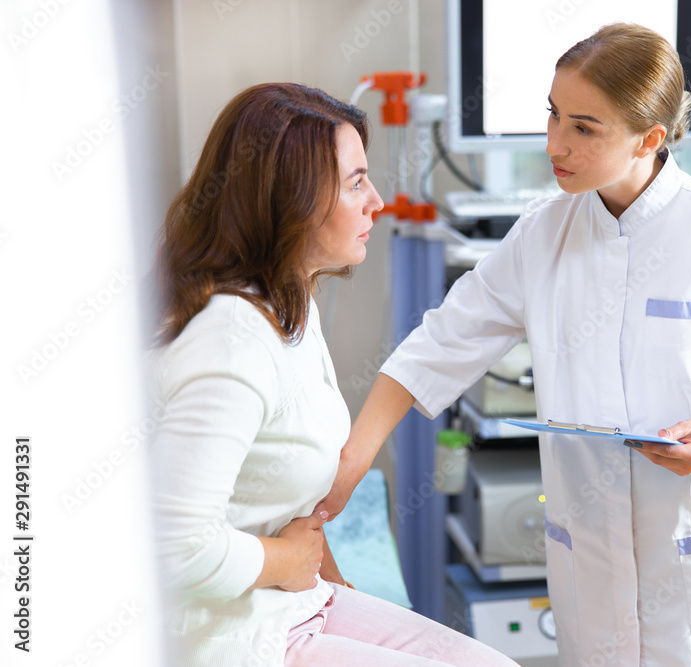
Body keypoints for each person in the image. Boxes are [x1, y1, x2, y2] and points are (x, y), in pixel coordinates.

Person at [317, 24, 691, 667]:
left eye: (584, 128)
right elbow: (438, 343)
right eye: (553, 114)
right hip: (591, 572)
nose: (554, 144)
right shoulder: (542, 235)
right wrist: (354, 459)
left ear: (650, 138)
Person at [148, 82, 518, 667]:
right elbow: (171, 548)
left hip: (291, 603)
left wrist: (331, 585)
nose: (377, 200)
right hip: (234, 634)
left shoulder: (290, 302)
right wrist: (287, 563)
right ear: (289, 201)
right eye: (355, 183)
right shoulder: (232, 343)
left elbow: (288, 508)